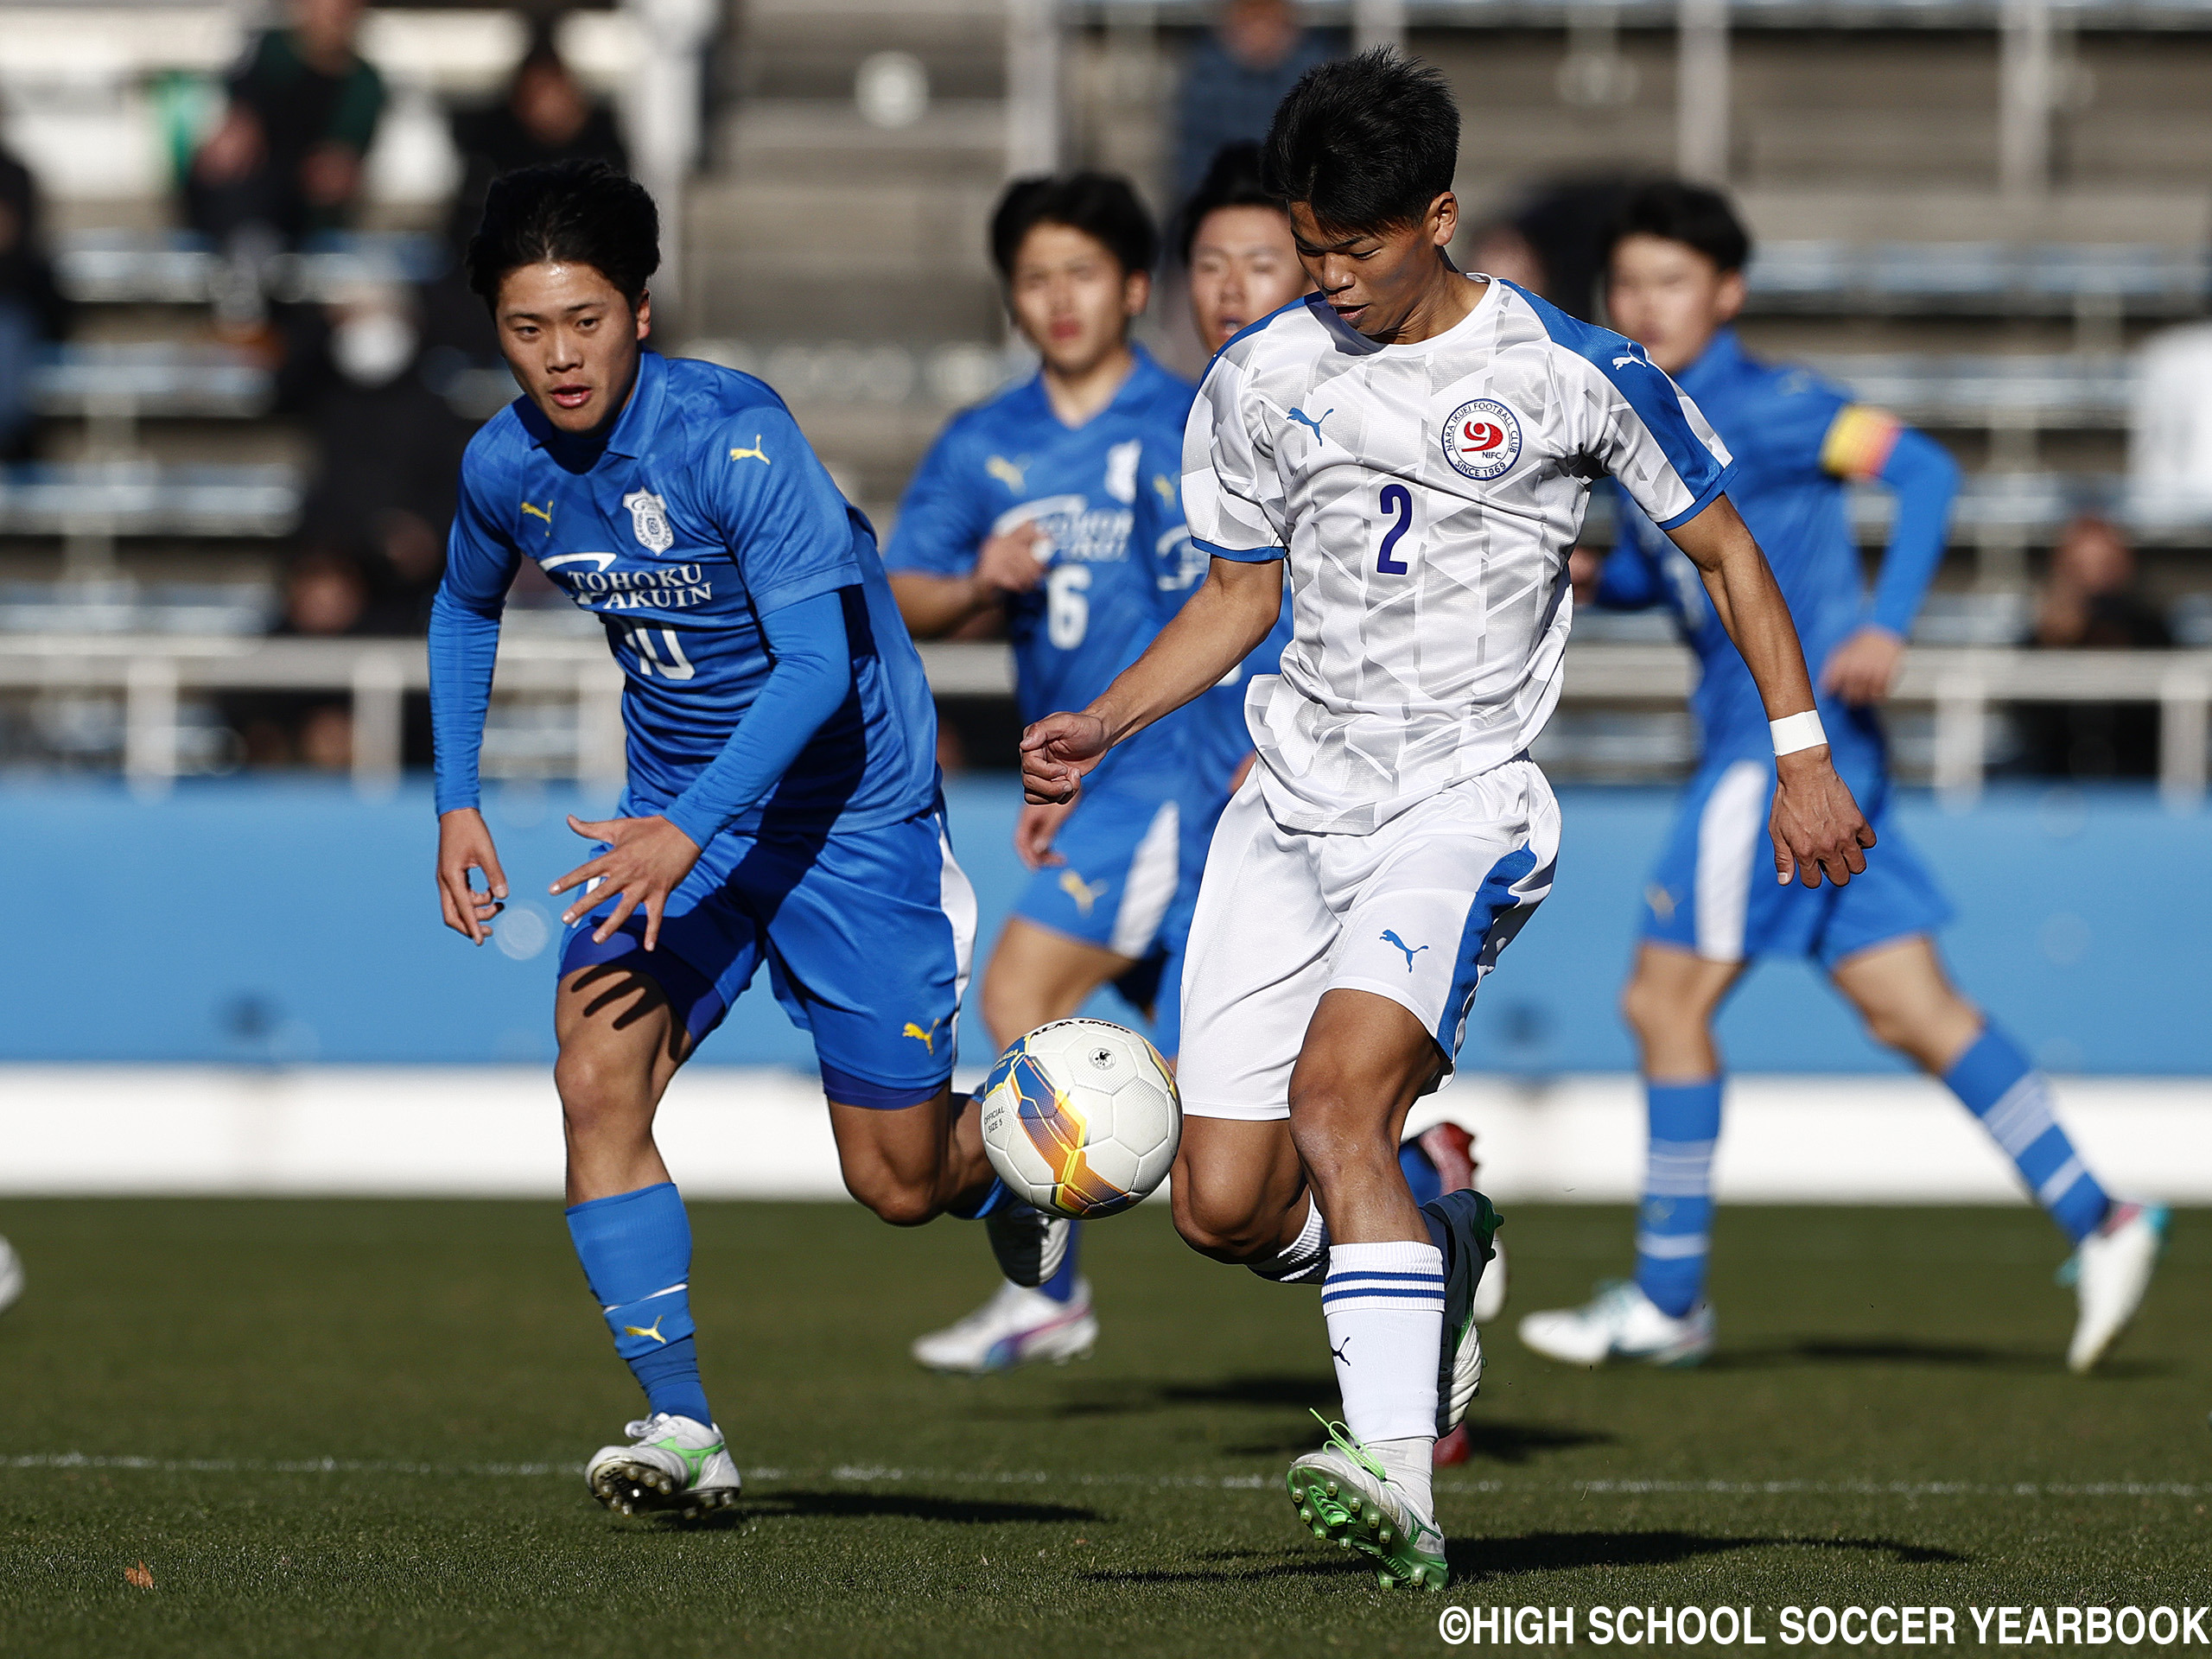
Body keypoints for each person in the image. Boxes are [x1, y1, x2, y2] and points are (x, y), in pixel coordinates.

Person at [1018, 52, 1873, 1590]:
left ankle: (1399, 1480)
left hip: (1460, 806)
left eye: (1359, 249)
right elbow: (1235, 595)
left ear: (1441, 216)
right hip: (1284, 811)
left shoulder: (1571, 374)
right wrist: (1107, 720)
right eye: (1311, 247)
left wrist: (1803, 752)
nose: (1329, 280)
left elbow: (1736, 555)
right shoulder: (1264, 377)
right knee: (1219, 1205)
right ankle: (1440, 1241)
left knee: (1343, 1104)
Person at [429, 160, 1042, 1518]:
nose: (560, 357)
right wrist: (456, 798)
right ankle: (682, 1423)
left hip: (848, 822)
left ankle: (1005, 1158)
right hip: (676, 828)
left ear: (642, 310)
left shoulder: (736, 439)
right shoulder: (504, 463)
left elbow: (815, 672)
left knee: (895, 1185)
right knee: (595, 1079)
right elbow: (467, 608)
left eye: (584, 321)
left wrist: (685, 830)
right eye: (528, 331)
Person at [1519, 182, 2166, 1378]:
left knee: (1664, 1008)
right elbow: (1673, 579)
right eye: (1628, 285)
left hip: (1777, 754)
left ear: (1728, 294)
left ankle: (1668, 1298)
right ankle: (2103, 1215)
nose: (1644, 304)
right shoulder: (1638, 411)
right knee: (1911, 1010)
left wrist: (1885, 623)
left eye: (1671, 283)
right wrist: (1590, 576)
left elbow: (1919, 470)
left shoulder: (1767, 407)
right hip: (1816, 756)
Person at [885, 174, 1206, 1375]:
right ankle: (1421, 1216)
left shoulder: (1190, 422)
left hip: (1181, 776)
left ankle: (1046, 1289)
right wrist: (982, 579)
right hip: (1092, 790)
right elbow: (904, 590)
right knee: (1233, 1109)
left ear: (1132, 288)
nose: (1058, 299)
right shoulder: (989, 442)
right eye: (1034, 279)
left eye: (1082, 274)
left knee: (1019, 1000)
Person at [186, 0, 385, 251]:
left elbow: (338, 168)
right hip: (245, 203)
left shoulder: (364, 83)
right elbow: (235, 133)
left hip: (306, 218)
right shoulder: (268, 51)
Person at [2013, 514, 2171, 779]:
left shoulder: (2149, 629)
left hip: (2137, 776)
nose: (2093, 577)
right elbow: (2029, 717)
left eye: (2104, 565)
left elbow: (2160, 714)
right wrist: (2053, 644)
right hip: (2054, 774)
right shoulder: (2041, 635)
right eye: (2080, 566)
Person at [1172, 0, 1334, 200]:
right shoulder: (1205, 78)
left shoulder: (1316, 76)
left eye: (1269, 22)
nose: (1260, 34)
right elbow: (1193, 163)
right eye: (1249, 23)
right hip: (1224, 201)